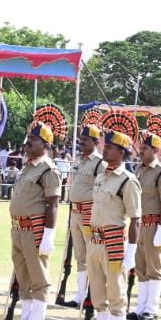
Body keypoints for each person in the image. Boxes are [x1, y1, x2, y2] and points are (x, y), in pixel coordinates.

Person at [82, 129, 141, 320]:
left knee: (116, 295)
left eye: (109, 147)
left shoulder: (128, 181)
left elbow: (135, 218)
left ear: (121, 152)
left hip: (114, 241)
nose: (104, 150)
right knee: (98, 295)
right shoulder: (101, 177)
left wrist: (131, 251)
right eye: (105, 146)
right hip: (95, 240)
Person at [0, 122, 61, 320]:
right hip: (18, 228)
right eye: (28, 139)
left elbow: (53, 204)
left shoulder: (48, 170)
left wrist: (48, 235)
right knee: (23, 279)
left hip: (34, 230)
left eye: (33, 140)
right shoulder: (28, 167)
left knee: (39, 279)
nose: (27, 144)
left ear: (45, 144)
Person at [63, 126, 105, 308]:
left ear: (95, 142)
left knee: (92, 254)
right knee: (80, 255)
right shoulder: (79, 160)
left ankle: (92, 293)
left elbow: (102, 190)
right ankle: (80, 294)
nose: (81, 143)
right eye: (81, 139)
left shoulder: (100, 163)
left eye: (85, 140)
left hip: (89, 212)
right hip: (75, 212)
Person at [133, 131, 161, 320]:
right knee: (140, 267)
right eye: (140, 148)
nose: (141, 151)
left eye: (145, 148)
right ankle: (141, 306)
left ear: (155, 150)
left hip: (153, 225)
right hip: (139, 224)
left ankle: (151, 308)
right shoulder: (139, 170)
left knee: (154, 267)